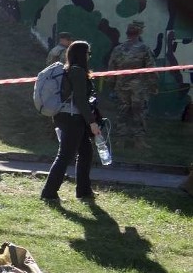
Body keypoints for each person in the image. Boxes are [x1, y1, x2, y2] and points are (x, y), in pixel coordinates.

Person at [41, 40, 101, 202]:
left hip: (69, 116)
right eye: (88, 53)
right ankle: (48, 192)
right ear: (82, 54)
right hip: (72, 118)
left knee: (86, 153)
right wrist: (92, 122)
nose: (89, 56)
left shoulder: (71, 70)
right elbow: (81, 100)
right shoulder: (77, 71)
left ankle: (84, 190)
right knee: (65, 155)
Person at [106, 20, 158, 149]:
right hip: (138, 88)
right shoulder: (144, 49)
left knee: (122, 111)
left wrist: (111, 85)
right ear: (139, 32)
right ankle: (138, 141)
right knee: (139, 112)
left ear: (127, 33)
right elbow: (151, 69)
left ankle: (120, 140)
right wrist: (153, 86)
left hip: (121, 86)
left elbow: (111, 68)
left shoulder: (118, 49)